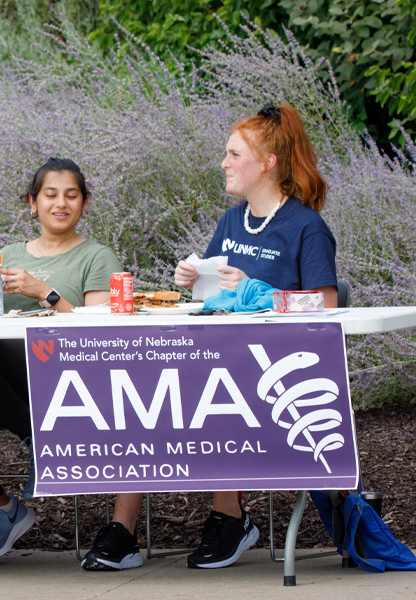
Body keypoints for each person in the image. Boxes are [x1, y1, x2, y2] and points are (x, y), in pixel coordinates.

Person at [81, 103, 337, 572]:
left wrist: (261, 293)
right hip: (219, 355)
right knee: (143, 390)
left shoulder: (306, 227)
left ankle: (229, 516)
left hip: (274, 369)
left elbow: (328, 306)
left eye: (233, 153)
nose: (223, 162)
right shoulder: (232, 222)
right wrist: (193, 280)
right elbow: (219, 297)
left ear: (268, 163)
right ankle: (123, 529)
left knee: (213, 387)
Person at [0, 158, 122, 564]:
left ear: (85, 204)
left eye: (71, 195)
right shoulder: (7, 254)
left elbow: (101, 336)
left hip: (68, 375)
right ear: (32, 203)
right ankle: (2, 503)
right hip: (7, 381)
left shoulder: (96, 257)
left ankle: (36, 442)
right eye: (50, 195)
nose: (61, 203)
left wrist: (46, 293)